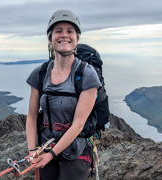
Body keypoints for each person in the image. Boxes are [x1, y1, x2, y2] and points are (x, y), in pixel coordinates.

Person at [26, 9, 101, 180]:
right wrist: (32, 151)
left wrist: (51, 154)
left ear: (77, 38)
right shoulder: (40, 73)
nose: (64, 35)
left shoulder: (87, 75)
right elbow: (31, 116)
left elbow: (78, 125)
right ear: (50, 38)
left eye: (70, 31)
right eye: (58, 31)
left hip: (76, 149)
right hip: (45, 147)